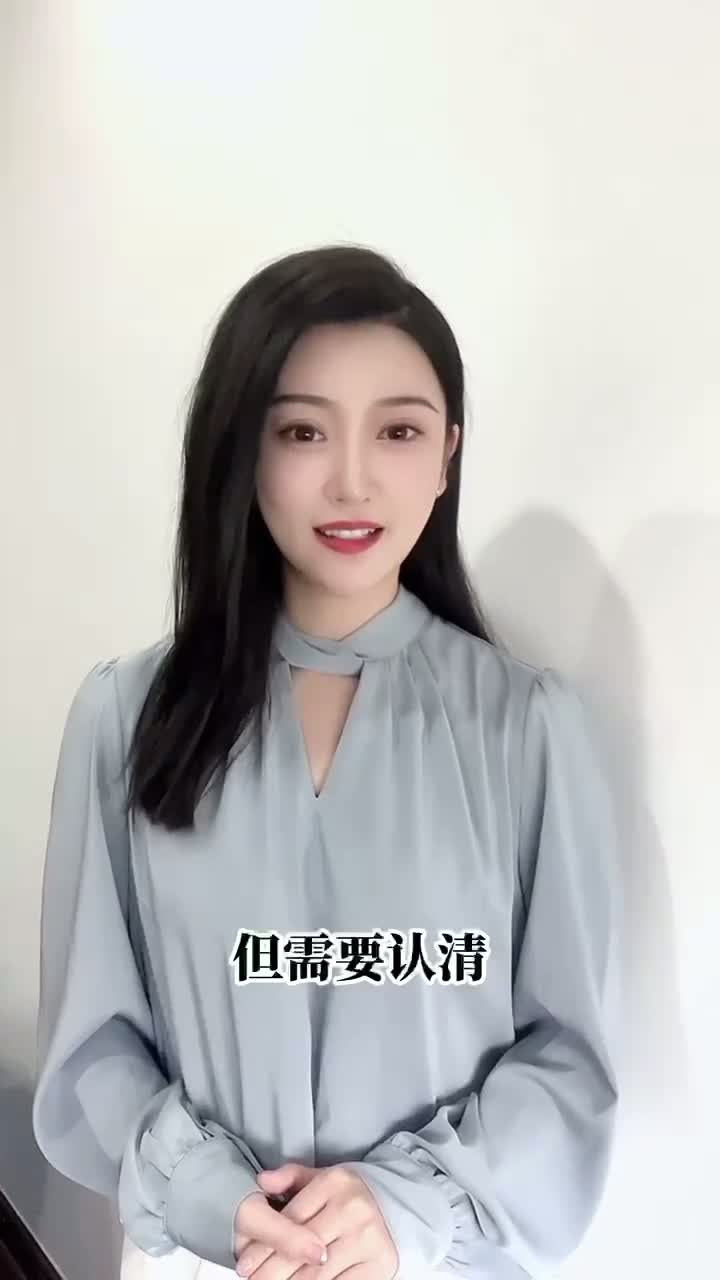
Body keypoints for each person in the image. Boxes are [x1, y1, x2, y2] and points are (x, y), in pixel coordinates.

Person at [31, 245, 622, 1280]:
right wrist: (205, 1191)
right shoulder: (128, 715)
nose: (352, 479)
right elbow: (94, 1041)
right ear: (243, 449)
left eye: (398, 430)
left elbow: (567, 1057)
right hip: (208, 1260)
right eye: (302, 430)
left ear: (448, 453)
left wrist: (403, 1203)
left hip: (434, 1260)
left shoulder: (528, 728)